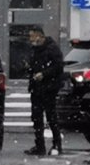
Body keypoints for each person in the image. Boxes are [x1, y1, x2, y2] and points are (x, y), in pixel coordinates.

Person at [25, 27, 64, 156]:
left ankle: (57, 144)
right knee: (36, 117)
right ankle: (39, 145)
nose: (31, 39)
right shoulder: (35, 50)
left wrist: (44, 74)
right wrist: (29, 69)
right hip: (36, 88)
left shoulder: (51, 48)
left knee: (51, 117)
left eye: (32, 36)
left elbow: (58, 66)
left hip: (49, 89)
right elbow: (33, 65)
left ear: (40, 36)